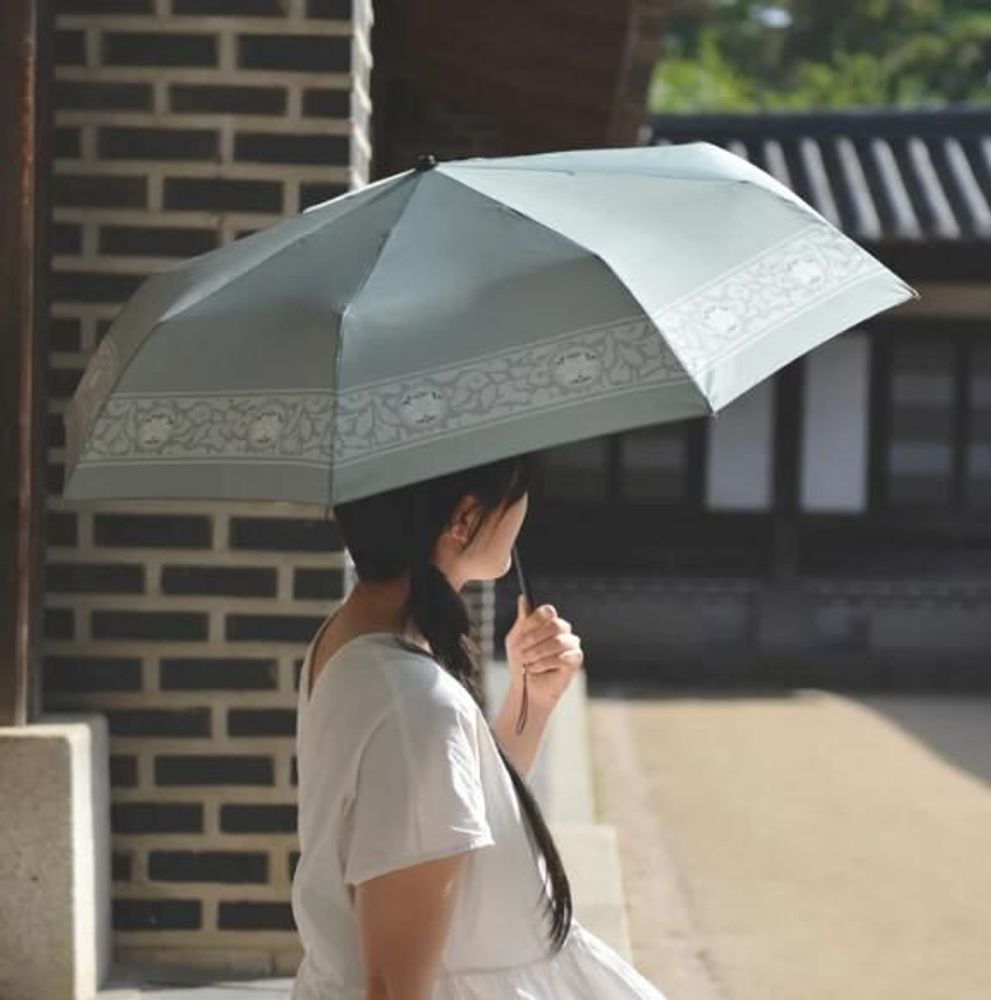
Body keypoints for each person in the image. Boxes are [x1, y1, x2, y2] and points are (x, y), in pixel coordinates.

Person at [290, 451, 667, 999]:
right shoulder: (412, 705)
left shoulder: (358, 643)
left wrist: (529, 702)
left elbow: (456, 819)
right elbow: (395, 988)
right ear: (464, 520)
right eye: (518, 494)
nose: (525, 512)